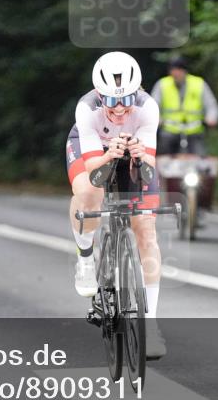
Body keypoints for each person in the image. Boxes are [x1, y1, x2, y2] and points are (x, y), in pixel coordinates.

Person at [66, 51, 167, 358]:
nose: (120, 109)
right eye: (111, 101)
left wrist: (138, 155)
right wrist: (111, 155)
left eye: (126, 100)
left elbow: (147, 170)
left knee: (146, 231)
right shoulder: (86, 110)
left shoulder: (148, 108)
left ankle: (150, 324)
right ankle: (85, 256)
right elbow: (96, 171)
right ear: (100, 96)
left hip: (130, 154)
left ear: (137, 94)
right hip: (93, 152)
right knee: (89, 193)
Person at [150, 56, 218, 156]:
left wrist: (211, 118)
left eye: (179, 69)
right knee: (163, 158)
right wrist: (157, 120)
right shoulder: (162, 84)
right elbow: (152, 106)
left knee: (201, 159)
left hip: (194, 129)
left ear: (185, 70)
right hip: (169, 130)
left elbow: (211, 105)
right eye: (173, 70)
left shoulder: (198, 83)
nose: (176, 73)